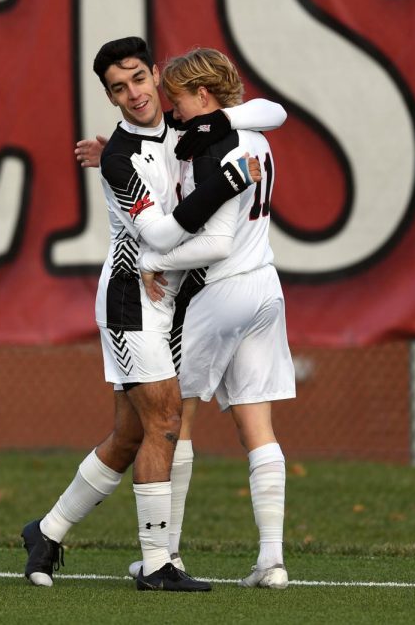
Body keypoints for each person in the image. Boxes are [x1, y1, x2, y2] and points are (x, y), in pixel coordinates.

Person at [21, 37, 286, 591]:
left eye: (140, 79)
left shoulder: (181, 126)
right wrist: (226, 182)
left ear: (156, 76)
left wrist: (223, 118)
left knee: (127, 435)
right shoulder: (118, 159)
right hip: (130, 299)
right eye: (119, 87)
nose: (134, 93)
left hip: (169, 297)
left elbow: (269, 112)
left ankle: (47, 531)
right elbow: (160, 233)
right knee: (165, 421)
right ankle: (159, 564)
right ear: (109, 95)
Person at [129, 47, 296, 589]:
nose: (171, 110)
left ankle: (167, 555)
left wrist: (151, 260)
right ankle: (271, 561)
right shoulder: (255, 139)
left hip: (220, 292)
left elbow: (217, 242)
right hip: (265, 287)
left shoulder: (216, 143)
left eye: (176, 99)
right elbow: (271, 113)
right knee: (258, 426)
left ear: (203, 96)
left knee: (177, 422)